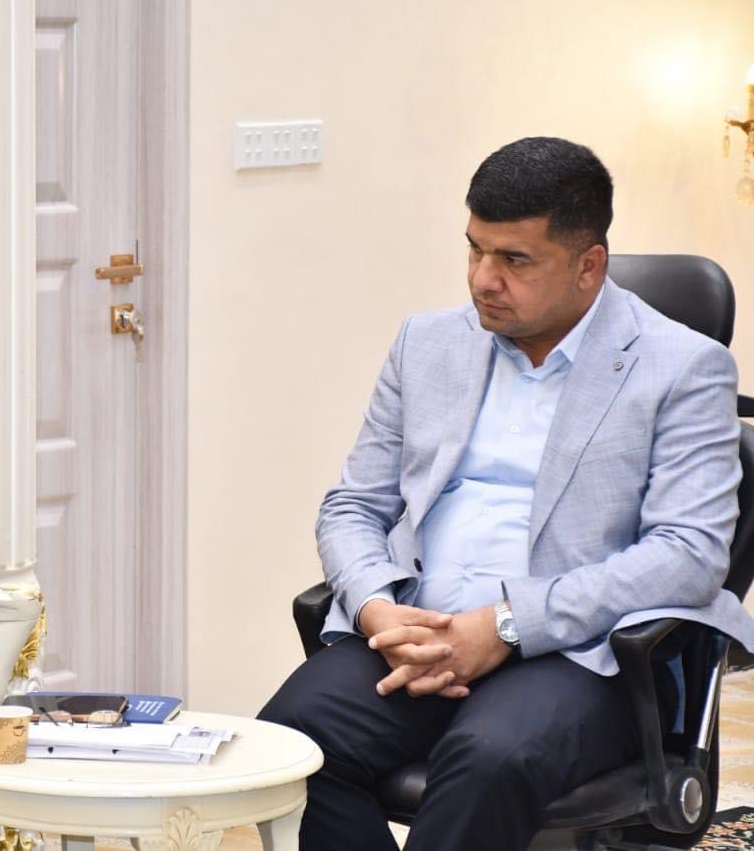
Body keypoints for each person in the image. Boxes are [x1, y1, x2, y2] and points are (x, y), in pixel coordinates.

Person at [259, 137, 754, 850]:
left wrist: (504, 626)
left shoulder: (683, 367)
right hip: (415, 631)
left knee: (489, 760)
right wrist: (375, 609)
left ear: (589, 265)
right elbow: (354, 506)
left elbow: (688, 554)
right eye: (474, 250)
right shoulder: (427, 344)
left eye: (514, 260)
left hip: (578, 654)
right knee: (288, 747)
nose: (483, 279)